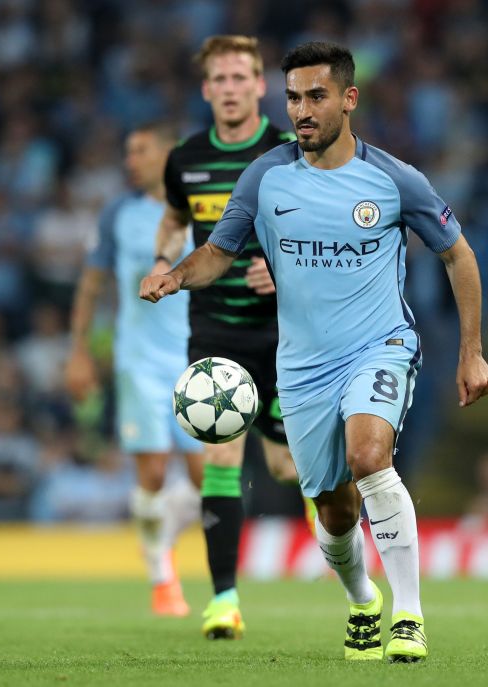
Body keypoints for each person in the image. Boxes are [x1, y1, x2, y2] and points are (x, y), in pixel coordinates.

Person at [140, 41, 488, 663]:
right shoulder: (266, 176)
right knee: (332, 510)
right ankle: (363, 599)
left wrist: (472, 351)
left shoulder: (393, 180)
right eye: (294, 98)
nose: (302, 110)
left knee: (369, 455)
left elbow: (457, 254)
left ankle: (409, 615)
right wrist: (174, 275)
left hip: (379, 347)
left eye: (316, 96)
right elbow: (219, 251)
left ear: (349, 99)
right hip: (301, 368)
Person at [151, 35, 310, 640]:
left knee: (291, 466)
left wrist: (285, 268)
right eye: (219, 79)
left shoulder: (290, 152)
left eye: (241, 77)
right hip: (215, 331)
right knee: (219, 453)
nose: (230, 88)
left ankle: (351, 579)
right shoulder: (186, 158)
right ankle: (223, 602)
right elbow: (173, 218)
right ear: (206, 89)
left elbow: (322, 227)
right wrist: (163, 259)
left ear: (259, 84)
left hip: (286, 334)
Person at [65, 123, 203, 617]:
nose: (130, 160)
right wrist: (78, 349)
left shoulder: (197, 207)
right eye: (127, 151)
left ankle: (158, 535)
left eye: (140, 151)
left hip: (195, 359)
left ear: (168, 156)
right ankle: (161, 576)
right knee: (152, 470)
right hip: (138, 361)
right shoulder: (117, 213)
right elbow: (91, 283)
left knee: (209, 481)